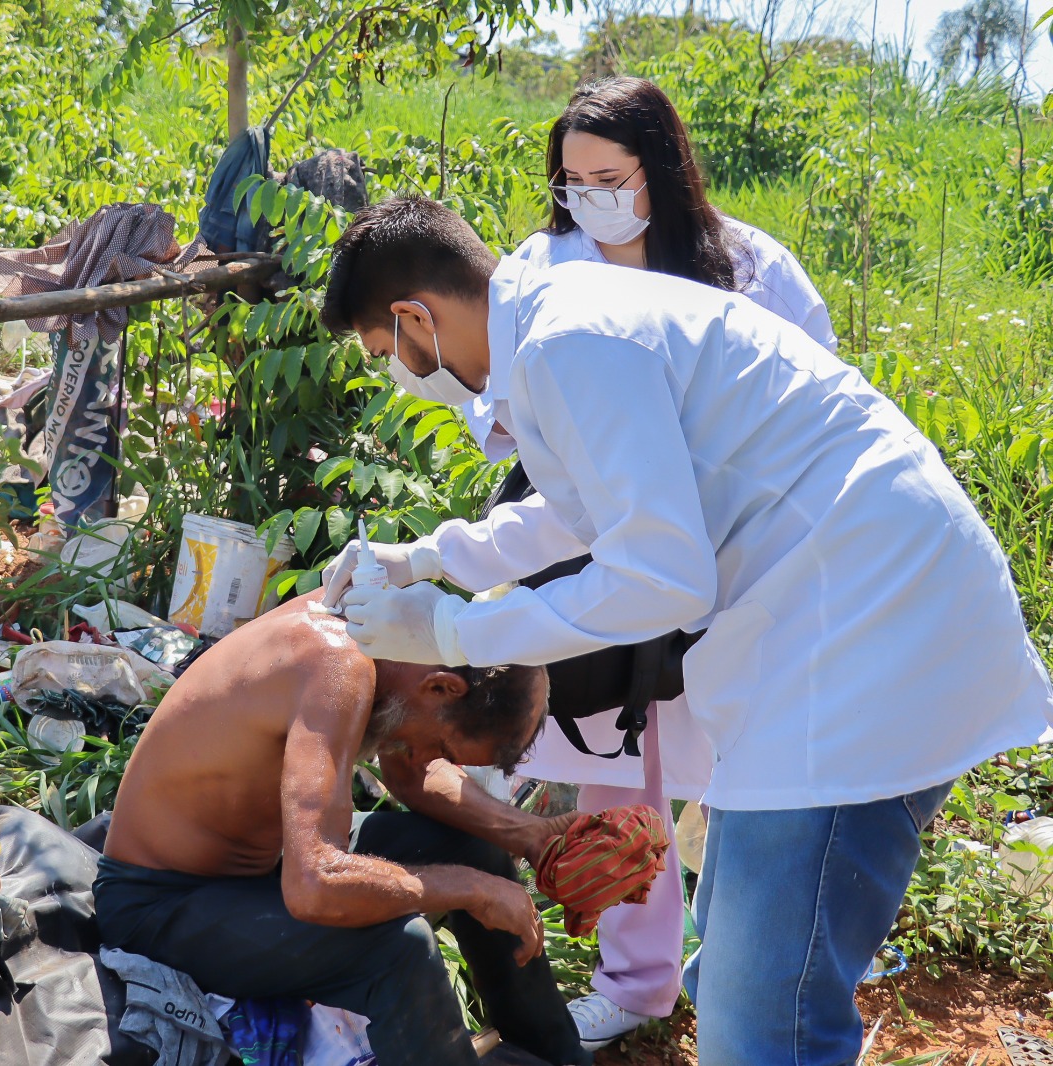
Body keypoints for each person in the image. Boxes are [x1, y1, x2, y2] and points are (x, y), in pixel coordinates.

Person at [319, 194, 1053, 1066]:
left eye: (384, 355)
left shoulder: (569, 341)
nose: (398, 373)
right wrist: (429, 558)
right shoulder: (562, 329)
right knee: (747, 962)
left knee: (761, 1020)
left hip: (866, 633)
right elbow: (585, 512)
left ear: (414, 318)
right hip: (837, 619)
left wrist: (454, 631)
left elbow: (658, 577)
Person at [455, 75, 839, 1050]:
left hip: (736, 554)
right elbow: (494, 397)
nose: (589, 195)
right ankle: (635, 982)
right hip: (606, 553)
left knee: (754, 769)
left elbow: (817, 390)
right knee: (618, 762)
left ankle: (744, 965)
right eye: (571, 177)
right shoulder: (544, 264)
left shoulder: (750, 266)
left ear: (659, 173)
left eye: (609, 175)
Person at [96, 592, 596, 1066]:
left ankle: (557, 1056)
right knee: (401, 950)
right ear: (443, 686)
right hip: (160, 906)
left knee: (477, 853)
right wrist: (472, 890)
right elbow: (315, 887)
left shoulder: (397, 634)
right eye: (442, 746)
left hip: (268, 868)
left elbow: (410, 773)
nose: (427, 760)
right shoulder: (337, 664)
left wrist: (530, 835)